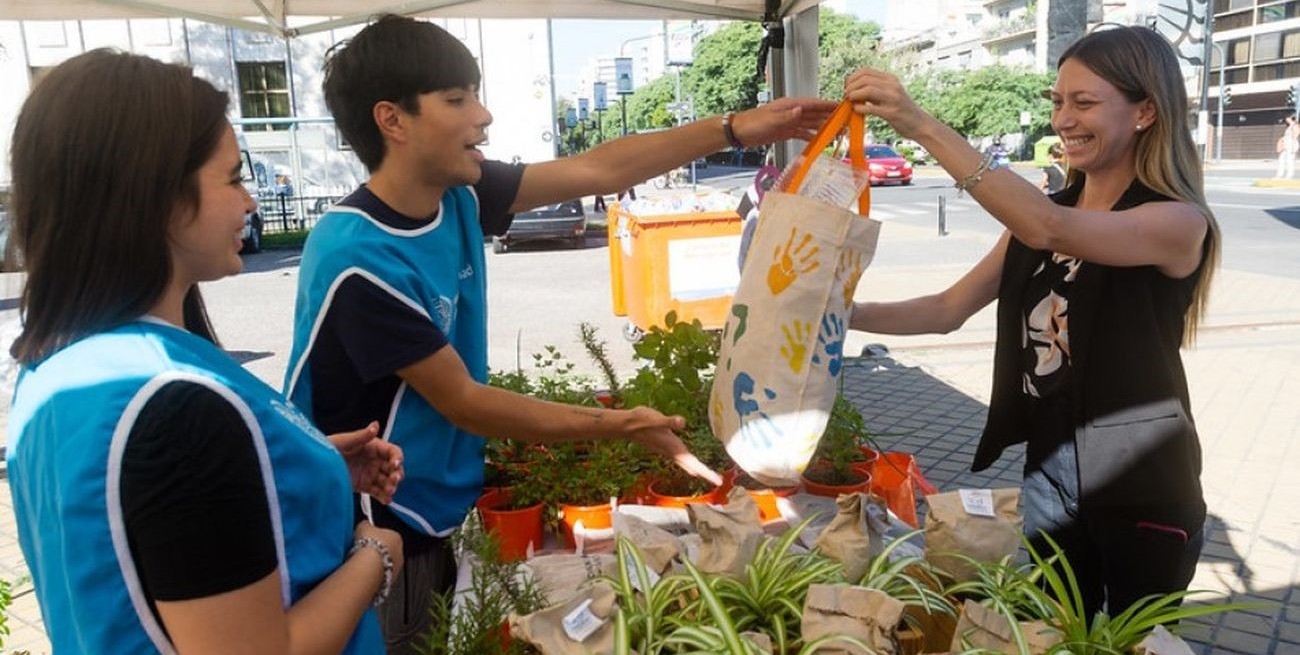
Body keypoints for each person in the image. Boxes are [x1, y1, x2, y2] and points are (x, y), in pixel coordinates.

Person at [284, 14, 835, 652]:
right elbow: (465, 402)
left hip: (425, 504)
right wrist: (625, 424)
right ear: (393, 120)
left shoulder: (457, 195)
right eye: (458, 99)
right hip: (366, 521)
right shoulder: (358, 253)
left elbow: (598, 171)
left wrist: (735, 127)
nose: (483, 116)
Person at [6, 50, 406, 653]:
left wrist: (300, 465)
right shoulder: (175, 407)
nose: (249, 201)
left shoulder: (57, 367)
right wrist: (378, 556)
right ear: (159, 196)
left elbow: (137, 524)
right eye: (232, 177)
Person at [844, 25, 1217, 620]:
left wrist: (920, 125)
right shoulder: (1049, 213)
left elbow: (1047, 228)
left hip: (1142, 480)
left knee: (1139, 640)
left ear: (1146, 110)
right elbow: (947, 310)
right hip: (1051, 471)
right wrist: (840, 316)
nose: (1063, 120)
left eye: (1085, 102)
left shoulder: (1176, 221)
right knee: (1047, 629)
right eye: (1058, 102)